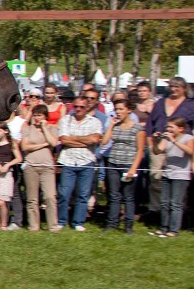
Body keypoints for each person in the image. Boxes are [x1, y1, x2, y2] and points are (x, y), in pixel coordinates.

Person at [144, 76, 194, 224]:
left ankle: (178, 213)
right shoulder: (160, 102)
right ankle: (156, 210)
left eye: (177, 86)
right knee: (156, 178)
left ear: (184, 88)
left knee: (180, 179)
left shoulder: (190, 104)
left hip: (182, 145)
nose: (173, 89)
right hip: (160, 143)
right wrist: (150, 140)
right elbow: (150, 123)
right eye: (171, 86)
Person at [55, 95, 103, 231]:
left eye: (82, 107)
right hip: (68, 161)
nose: (78, 109)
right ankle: (61, 220)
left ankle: (78, 222)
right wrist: (84, 141)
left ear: (87, 107)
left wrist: (74, 138)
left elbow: (94, 140)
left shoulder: (95, 122)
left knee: (83, 194)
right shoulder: (66, 120)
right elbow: (64, 140)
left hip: (86, 161)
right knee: (64, 193)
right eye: (75, 106)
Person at [101, 98, 144, 233]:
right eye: (116, 109)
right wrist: (111, 126)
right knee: (114, 195)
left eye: (121, 109)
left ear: (129, 110)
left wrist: (133, 168)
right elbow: (104, 142)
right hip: (113, 163)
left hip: (128, 164)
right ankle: (111, 224)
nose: (118, 112)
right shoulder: (116, 126)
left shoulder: (138, 128)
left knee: (128, 197)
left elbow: (140, 150)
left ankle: (128, 225)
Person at [19, 103, 59, 231]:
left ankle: (53, 225)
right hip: (31, 166)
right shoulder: (27, 129)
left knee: (50, 196)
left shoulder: (52, 128)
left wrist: (44, 128)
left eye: (40, 115)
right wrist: (43, 145)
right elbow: (25, 147)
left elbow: (53, 142)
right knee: (32, 198)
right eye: (35, 115)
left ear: (45, 116)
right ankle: (33, 225)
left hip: (47, 166)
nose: (37, 118)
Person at [151, 117, 192, 237]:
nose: (168, 129)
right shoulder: (167, 138)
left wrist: (173, 141)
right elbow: (157, 151)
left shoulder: (188, 138)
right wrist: (155, 141)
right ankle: (164, 227)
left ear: (181, 128)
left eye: (171, 127)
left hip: (181, 175)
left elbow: (191, 151)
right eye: (167, 127)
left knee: (176, 203)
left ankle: (174, 230)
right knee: (164, 202)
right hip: (167, 173)